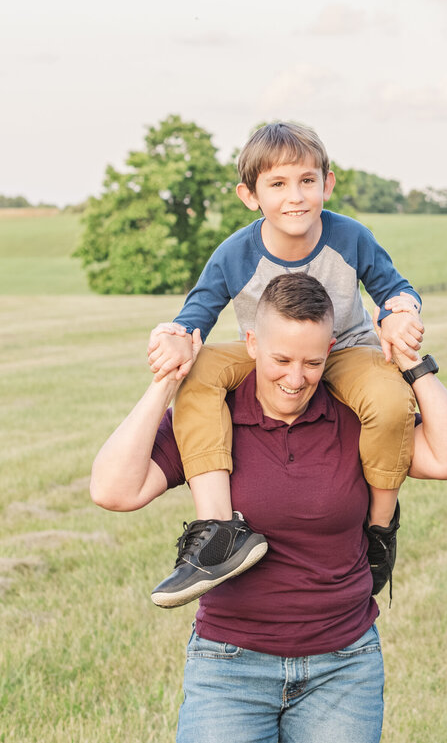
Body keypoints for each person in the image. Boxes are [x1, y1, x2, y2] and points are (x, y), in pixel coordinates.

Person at [91, 273, 447, 743]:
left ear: (331, 351)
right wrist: (167, 383)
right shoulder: (212, 416)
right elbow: (113, 490)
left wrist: (413, 365)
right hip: (228, 667)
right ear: (251, 343)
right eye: (281, 359)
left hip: (343, 668)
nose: (296, 379)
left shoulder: (354, 417)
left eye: (312, 362)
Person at [144, 121, 427, 607]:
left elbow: (395, 288)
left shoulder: (351, 236)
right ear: (250, 195)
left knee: (389, 399)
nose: (295, 196)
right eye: (277, 184)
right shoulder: (235, 253)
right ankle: (218, 529)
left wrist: (402, 313)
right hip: (264, 353)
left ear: (327, 184)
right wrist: (173, 337)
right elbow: (196, 314)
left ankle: (379, 528)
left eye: (306, 181)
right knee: (199, 373)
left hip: (345, 350)